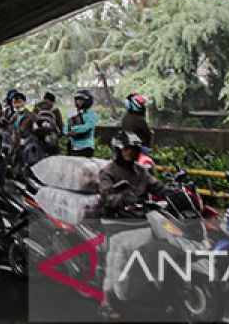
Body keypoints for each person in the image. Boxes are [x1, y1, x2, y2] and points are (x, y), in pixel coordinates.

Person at [98, 130, 166, 317]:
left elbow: (156, 185)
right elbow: (107, 196)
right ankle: (105, 301)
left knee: (158, 246)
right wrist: (121, 199)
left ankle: (150, 288)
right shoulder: (109, 171)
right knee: (115, 257)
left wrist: (174, 190)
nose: (130, 152)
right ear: (118, 150)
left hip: (140, 218)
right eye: (126, 149)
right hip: (116, 220)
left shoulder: (140, 171)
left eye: (133, 149)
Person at [65, 89, 97, 157]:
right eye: (77, 100)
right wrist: (68, 132)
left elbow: (88, 127)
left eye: (81, 100)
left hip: (86, 147)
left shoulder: (91, 114)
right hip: (72, 146)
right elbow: (65, 127)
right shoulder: (72, 112)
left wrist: (73, 129)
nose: (79, 102)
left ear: (87, 101)